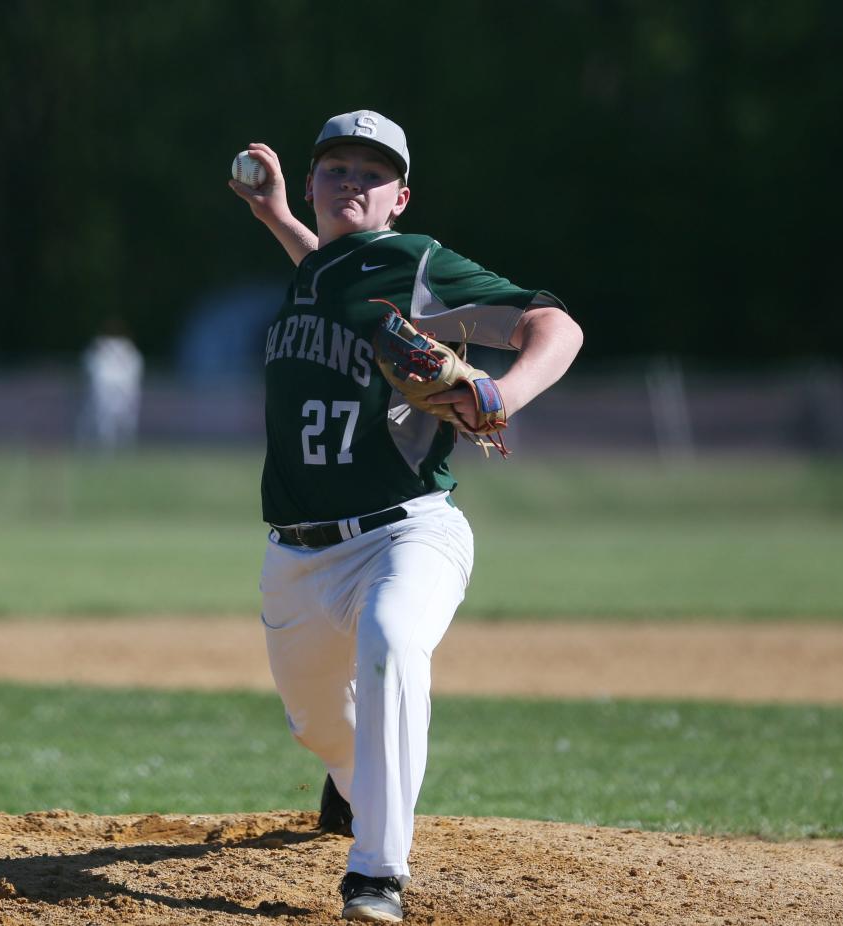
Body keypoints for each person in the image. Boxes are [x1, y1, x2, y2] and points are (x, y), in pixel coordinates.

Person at [230, 110, 583, 922]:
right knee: (321, 729)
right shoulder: (318, 270)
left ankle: (377, 876)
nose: (351, 180)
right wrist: (280, 218)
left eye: (372, 172)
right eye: (336, 168)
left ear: (401, 198)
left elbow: (555, 325)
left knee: (392, 639)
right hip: (296, 558)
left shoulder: (415, 263)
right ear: (314, 183)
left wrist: (503, 393)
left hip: (406, 530)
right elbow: (334, 276)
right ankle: (354, 784)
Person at [79, 317, 144, 449]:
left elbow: (90, 367)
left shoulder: (125, 348)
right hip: (112, 387)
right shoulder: (103, 346)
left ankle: (117, 445)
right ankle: (109, 445)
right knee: (107, 418)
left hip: (116, 387)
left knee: (114, 418)